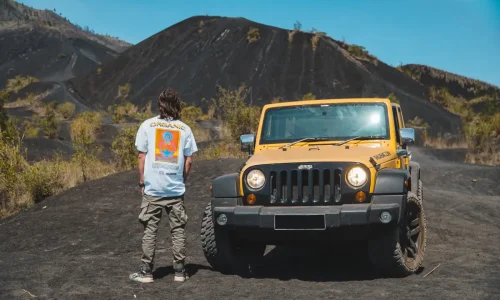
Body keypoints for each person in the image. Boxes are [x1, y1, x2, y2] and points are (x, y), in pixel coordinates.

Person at [129, 88, 198, 284]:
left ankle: (146, 272)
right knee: (177, 229)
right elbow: (189, 161)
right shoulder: (185, 129)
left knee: (150, 230)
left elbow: (141, 155)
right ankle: (179, 271)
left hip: (153, 189)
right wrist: (181, 180)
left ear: (160, 105)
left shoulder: (147, 125)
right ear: (177, 106)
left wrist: (142, 180)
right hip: (175, 189)